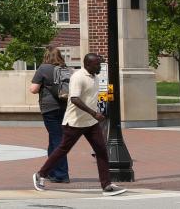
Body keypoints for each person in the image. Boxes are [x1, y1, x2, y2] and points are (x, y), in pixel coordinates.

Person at [33, 53, 127, 197]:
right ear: (88, 65)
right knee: (62, 150)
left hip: (90, 122)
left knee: (101, 151)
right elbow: (75, 98)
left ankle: (106, 185)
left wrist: (96, 114)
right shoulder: (78, 77)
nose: (99, 67)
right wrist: (94, 113)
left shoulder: (94, 77)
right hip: (75, 122)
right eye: (97, 64)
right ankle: (40, 175)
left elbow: (90, 98)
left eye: (100, 64)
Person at [28, 46, 70, 183]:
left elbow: (33, 89)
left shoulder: (43, 68)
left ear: (46, 55)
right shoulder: (65, 68)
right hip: (64, 106)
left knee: (57, 141)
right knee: (54, 140)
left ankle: (61, 174)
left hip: (49, 108)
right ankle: (52, 171)